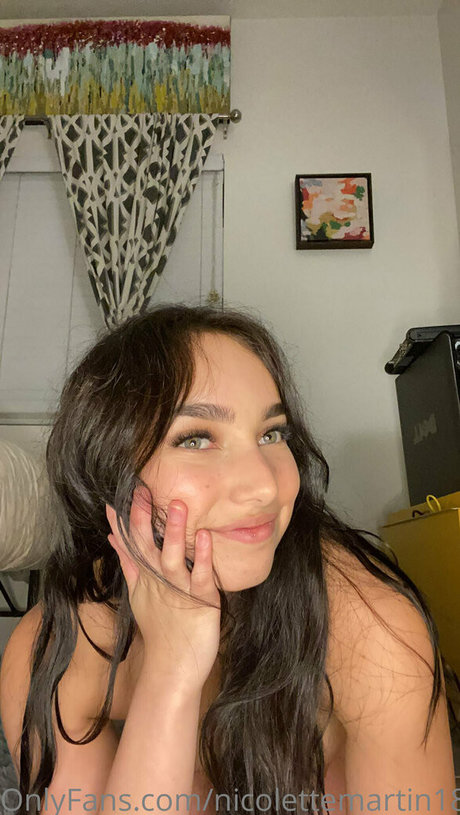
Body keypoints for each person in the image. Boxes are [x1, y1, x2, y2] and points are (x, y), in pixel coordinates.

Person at [0, 303, 455, 815]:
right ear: (105, 466)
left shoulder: (372, 627)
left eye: (272, 434)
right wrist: (170, 674)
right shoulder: (52, 650)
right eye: (196, 439)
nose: (266, 486)